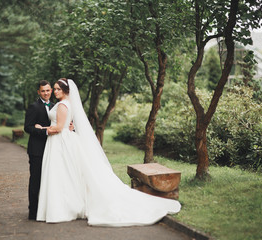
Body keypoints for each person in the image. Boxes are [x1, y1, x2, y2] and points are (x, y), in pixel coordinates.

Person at [36, 78, 181, 226]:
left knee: (62, 173)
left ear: (66, 90)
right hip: (63, 139)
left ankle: (64, 207)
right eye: (54, 89)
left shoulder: (62, 105)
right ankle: (67, 205)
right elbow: (66, 124)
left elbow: (59, 127)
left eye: (57, 89)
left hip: (60, 140)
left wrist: (41, 128)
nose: (55, 92)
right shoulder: (68, 104)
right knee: (66, 174)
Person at [24, 80, 57, 220]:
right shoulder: (33, 107)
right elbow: (28, 127)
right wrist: (43, 132)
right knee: (36, 180)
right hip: (37, 150)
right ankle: (33, 212)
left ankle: (46, 210)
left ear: (51, 91)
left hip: (53, 149)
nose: (46, 93)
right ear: (39, 92)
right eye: (43, 91)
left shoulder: (55, 106)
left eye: (48, 90)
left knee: (50, 180)